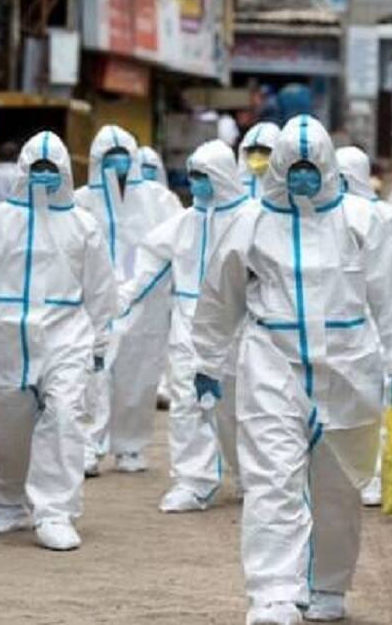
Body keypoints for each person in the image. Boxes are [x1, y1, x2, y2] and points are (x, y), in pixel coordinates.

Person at [190, 116, 392, 624]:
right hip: (271, 363)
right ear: (277, 167)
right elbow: (219, 295)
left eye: (310, 167)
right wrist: (207, 359)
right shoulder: (250, 221)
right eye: (292, 166)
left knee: (338, 485)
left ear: (327, 167)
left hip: (348, 366)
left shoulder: (363, 219)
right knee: (271, 478)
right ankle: (274, 594)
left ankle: (328, 584)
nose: (301, 176)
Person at [0, 131, 116, 551]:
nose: (43, 175)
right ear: (23, 170)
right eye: (36, 168)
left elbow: (101, 288)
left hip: (64, 335)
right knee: (5, 431)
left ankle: (55, 512)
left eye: (50, 168)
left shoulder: (82, 225)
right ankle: (9, 501)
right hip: (0, 339)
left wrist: (99, 343)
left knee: (64, 417)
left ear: (64, 172)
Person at [118, 140, 248, 512]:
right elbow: (149, 263)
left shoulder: (252, 220)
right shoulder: (184, 224)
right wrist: (121, 300)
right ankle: (193, 481)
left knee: (240, 405)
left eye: (204, 175)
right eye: (193, 175)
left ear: (222, 175)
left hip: (240, 323)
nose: (197, 183)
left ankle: (250, 475)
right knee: (187, 402)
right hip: (188, 322)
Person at [75, 126, 182, 476]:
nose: (118, 162)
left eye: (123, 155)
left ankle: (130, 446)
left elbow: (171, 247)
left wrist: (139, 288)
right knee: (92, 373)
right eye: (110, 156)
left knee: (139, 375)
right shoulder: (80, 201)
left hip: (145, 302)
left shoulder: (160, 200)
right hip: (94, 303)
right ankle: (89, 446)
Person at [337, 144, 392, 506]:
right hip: (348, 321)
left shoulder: (385, 217)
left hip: (381, 318)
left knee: (377, 402)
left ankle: (374, 474)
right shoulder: (326, 218)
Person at [237, 122, 280, 199]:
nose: (257, 155)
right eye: (251, 150)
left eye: (264, 150)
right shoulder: (236, 185)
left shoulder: (286, 186)